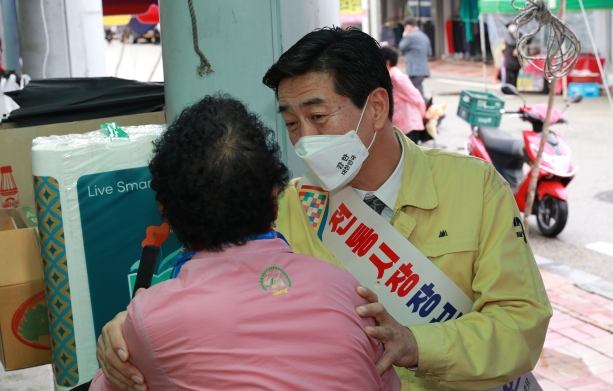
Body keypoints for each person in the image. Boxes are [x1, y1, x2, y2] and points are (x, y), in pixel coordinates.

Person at [98, 27, 551, 391]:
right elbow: (205, 291)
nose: (303, 139)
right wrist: (121, 332)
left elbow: (521, 321)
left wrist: (418, 343)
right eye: (292, 123)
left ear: (376, 107)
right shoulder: (289, 206)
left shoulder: (474, 187)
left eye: (318, 117)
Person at [90, 95, 400, 390]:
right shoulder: (348, 291)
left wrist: (127, 327)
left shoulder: (150, 319)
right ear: (274, 199)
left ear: (165, 211)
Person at [380, 46, 427, 144]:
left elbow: (417, 98)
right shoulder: (389, 77)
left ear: (387, 62)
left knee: (409, 158)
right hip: (402, 126)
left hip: (409, 126)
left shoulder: (397, 78)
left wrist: (424, 117)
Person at [398, 17, 432, 102]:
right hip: (423, 69)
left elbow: (401, 47)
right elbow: (429, 53)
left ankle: (434, 109)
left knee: (418, 95)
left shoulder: (410, 36)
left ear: (408, 27)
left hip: (414, 70)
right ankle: (428, 110)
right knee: (416, 94)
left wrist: (404, 36)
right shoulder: (424, 36)